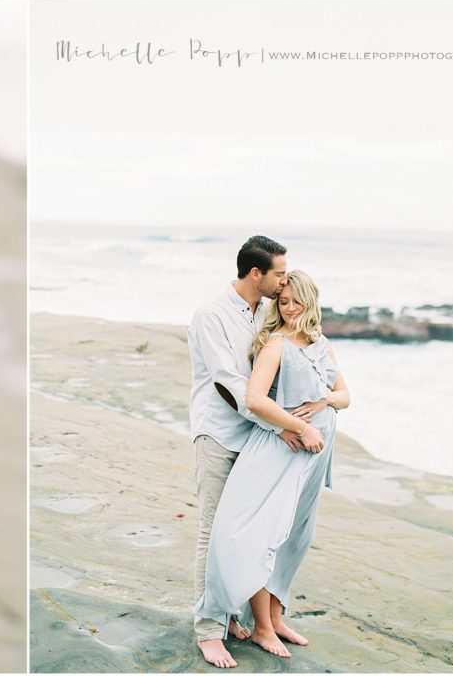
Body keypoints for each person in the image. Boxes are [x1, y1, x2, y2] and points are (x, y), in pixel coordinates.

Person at [194, 270, 350, 662]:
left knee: (296, 537)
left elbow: (345, 395)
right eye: (284, 301)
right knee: (260, 536)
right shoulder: (276, 345)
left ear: (311, 301)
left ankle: (275, 618)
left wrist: (323, 403)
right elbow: (255, 398)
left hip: (314, 458)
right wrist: (300, 425)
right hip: (283, 449)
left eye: (297, 300)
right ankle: (251, 625)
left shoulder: (321, 343)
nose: (290, 307)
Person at [187, 235, 310, 669]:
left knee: (253, 533)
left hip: (260, 441)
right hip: (221, 436)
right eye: (278, 273)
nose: (284, 280)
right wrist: (282, 425)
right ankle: (208, 630)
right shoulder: (212, 315)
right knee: (214, 532)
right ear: (256, 273)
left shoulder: (268, 312)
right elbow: (228, 385)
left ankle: (238, 617)